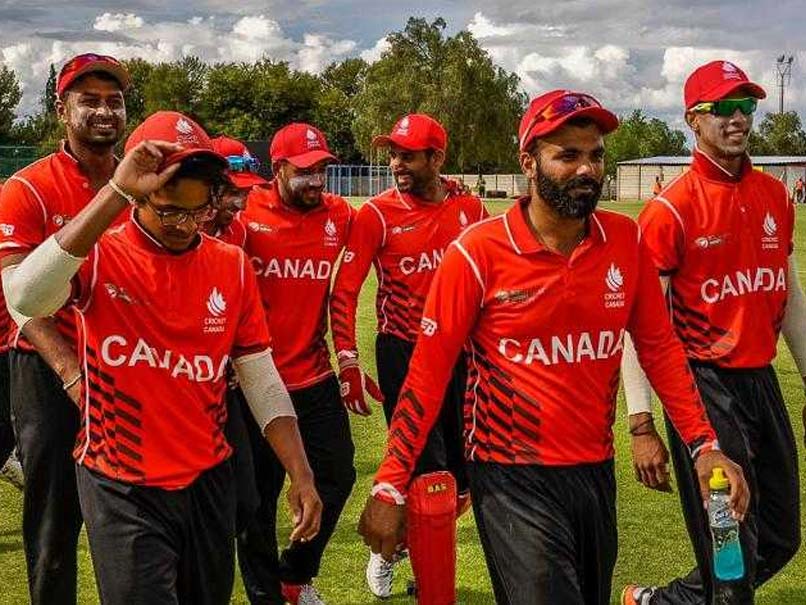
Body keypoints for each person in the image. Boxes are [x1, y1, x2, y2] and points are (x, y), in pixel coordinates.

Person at [357, 90, 751, 605]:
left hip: (593, 472)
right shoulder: (477, 253)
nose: (587, 168)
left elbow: (659, 349)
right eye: (567, 155)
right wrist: (390, 483)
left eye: (596, 154)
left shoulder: (624, 240)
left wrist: (703, 444)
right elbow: (427, 377)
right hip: (509, 476)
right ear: (529, 162)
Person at [2, 110, 322, 605]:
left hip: (207, 480)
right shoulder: (101, 253)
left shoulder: (230, 265)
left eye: (196, 212)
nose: (183, 226)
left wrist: (300, 473)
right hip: (120, 480)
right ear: (139, 194)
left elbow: (260, 378)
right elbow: (24, 297)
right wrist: (114, 193)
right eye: (168, 210)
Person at [621, 61, 805, 605]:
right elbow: (640, 326)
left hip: (761, 384)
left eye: (745, 108)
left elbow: (788, 296)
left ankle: (661, 602)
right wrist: (640, 422)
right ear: (693, 122)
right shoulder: (668, 211)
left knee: (780, 537)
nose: (737, 120)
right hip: (704, 393)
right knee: (730, 562)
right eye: (722, 109)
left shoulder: (775, 196)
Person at [0, 53, 131, 605]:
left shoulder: (142, 186)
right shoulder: (26, 189)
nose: (104, 110)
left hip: (127, 366)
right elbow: (19, 301)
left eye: (114, 100)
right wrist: (72, 374)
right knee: (55, 523)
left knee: (129, 517)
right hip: (49, 370)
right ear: (62, 110)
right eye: (89, 100)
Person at [234, 123, 356, 605]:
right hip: (254, 380)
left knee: (338, 474)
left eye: (322, 170)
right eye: (305, 172)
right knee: (257, 501)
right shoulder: (246, 211)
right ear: (278, 169)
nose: (316, 182)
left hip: (313, 374)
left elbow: (386, 218)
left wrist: (445, 189)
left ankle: (295, 573)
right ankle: (266, 594)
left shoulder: (339, 215)